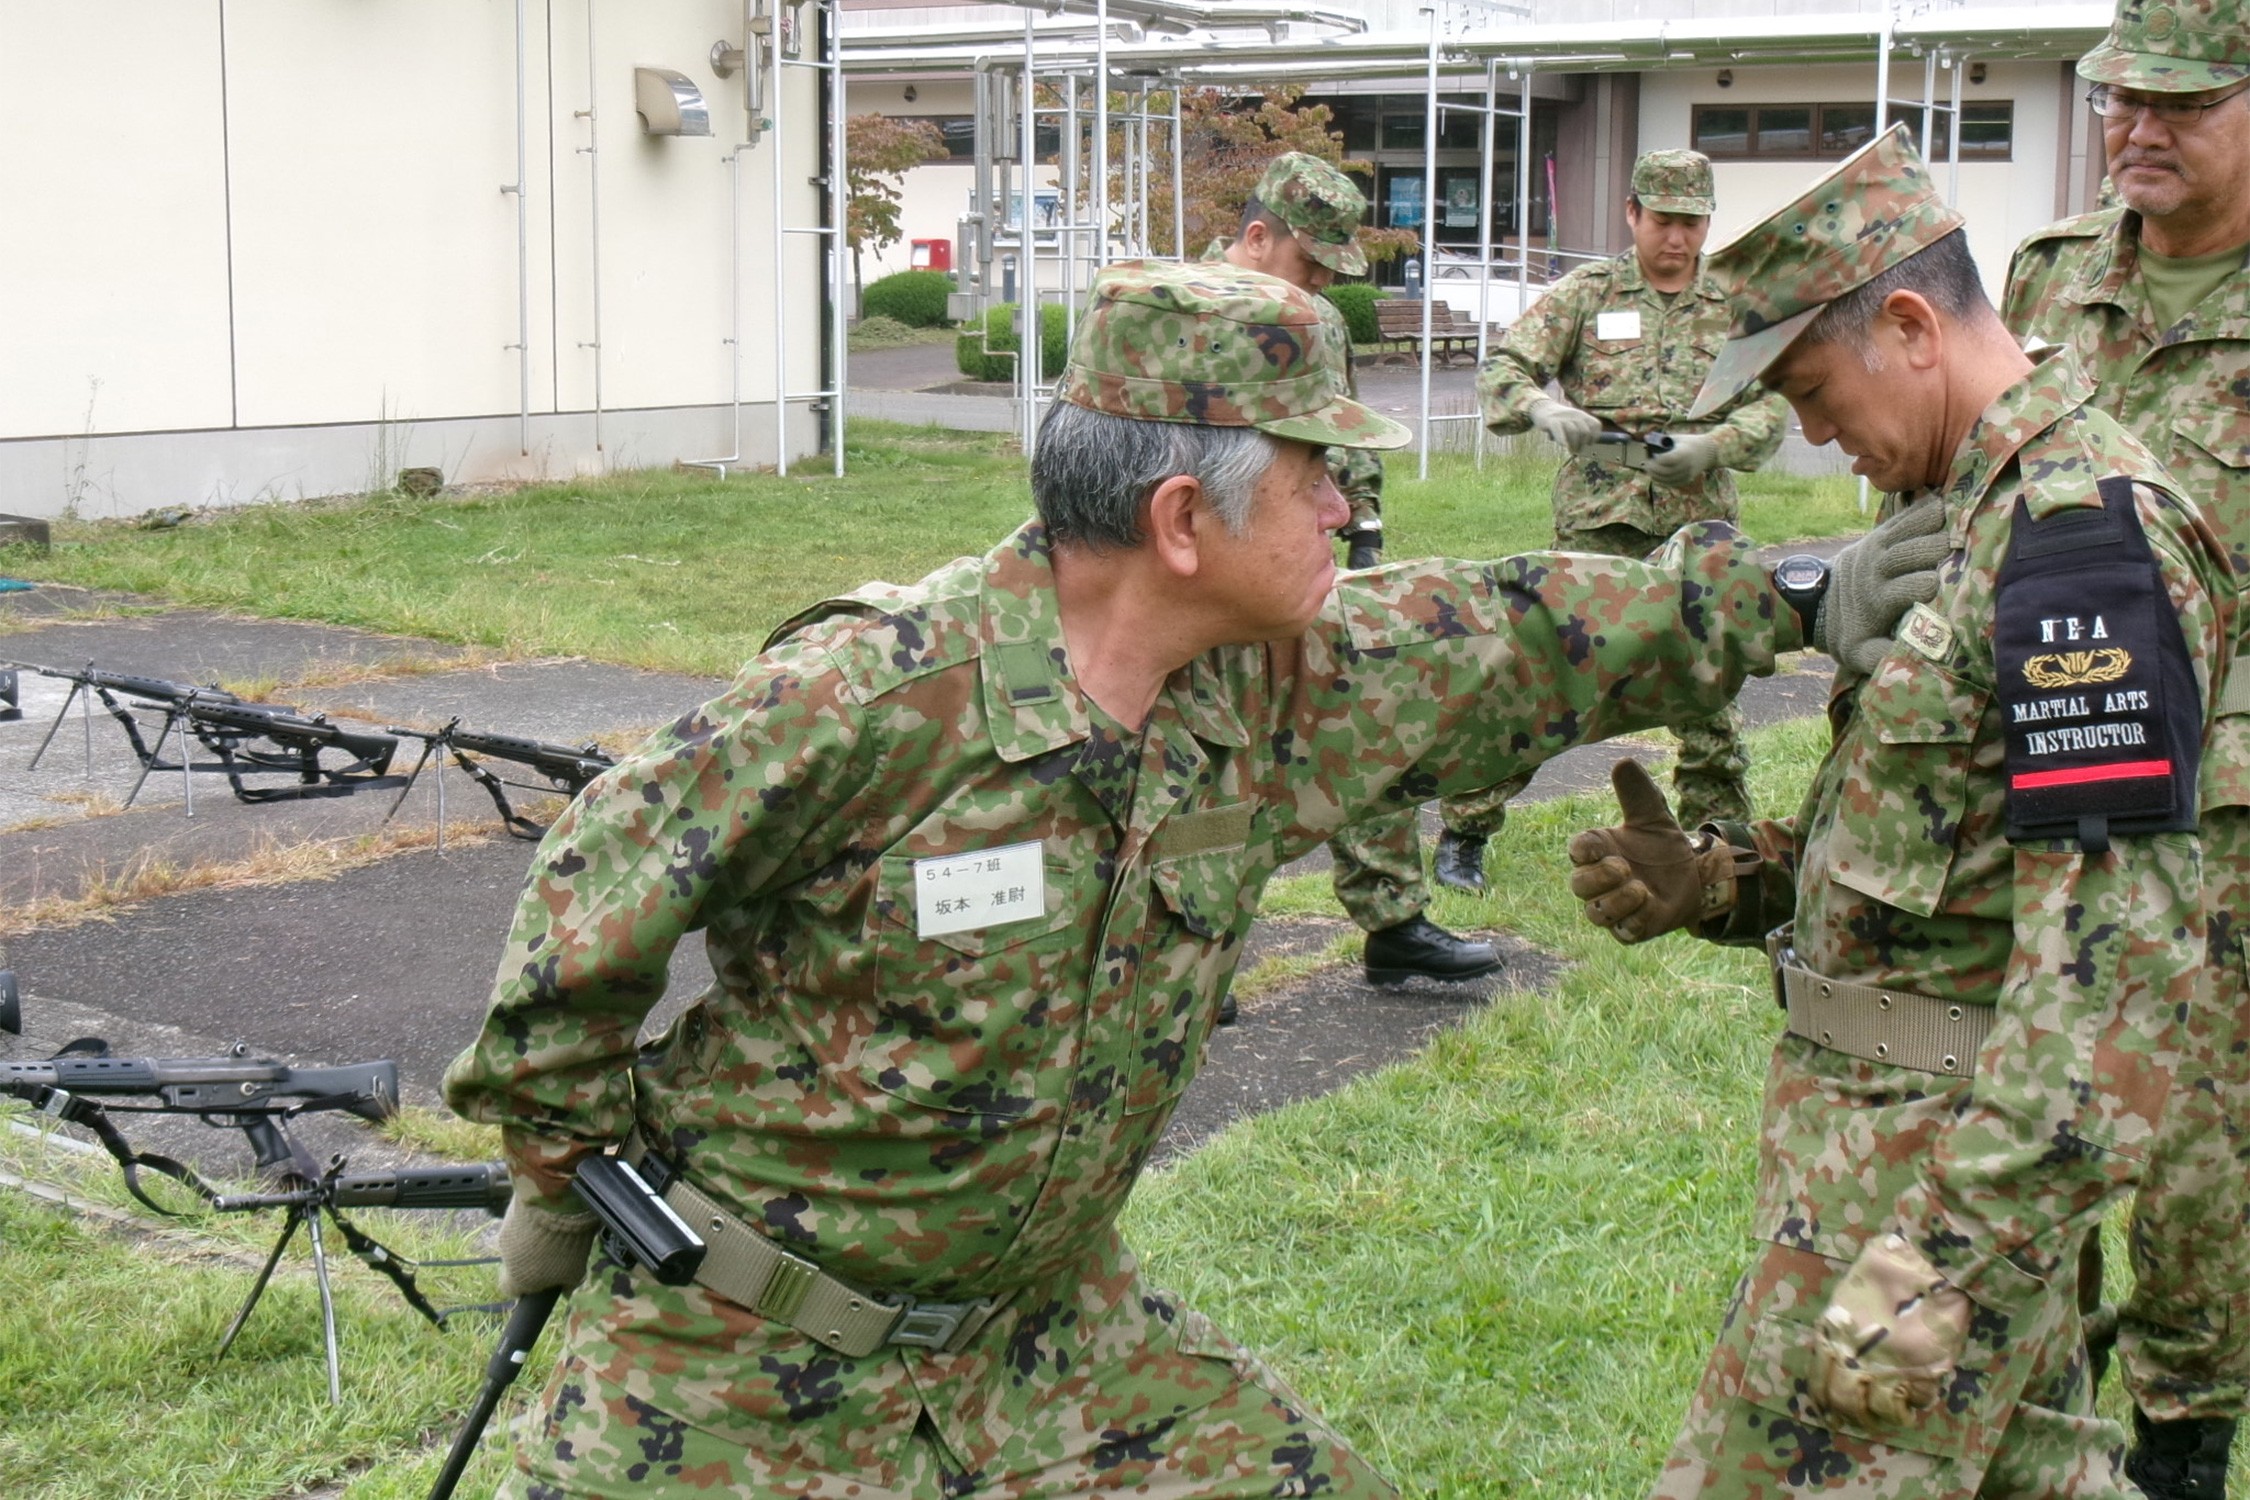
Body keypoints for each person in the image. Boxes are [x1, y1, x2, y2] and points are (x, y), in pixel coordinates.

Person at [444, 257, 1935, 1499]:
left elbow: (1506, 635)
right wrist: (572, 1174)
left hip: (1041, 1337)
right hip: (744, 1361)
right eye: (1314, 477)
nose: (1345, 511)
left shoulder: (1269, 688)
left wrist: (1801, 593)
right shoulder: (877, 700)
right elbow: (595, 886)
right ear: (1178, 520)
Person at [1568, 126, 2233, 1497]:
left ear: (1914, 328)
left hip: (1922, 1187)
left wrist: (1939, 1270)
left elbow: (2113, 983)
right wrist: (1723, 880)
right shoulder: (1971, 518)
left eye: (1814, 390)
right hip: (1880, 1151)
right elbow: (1936, 842)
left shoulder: (2075, 544)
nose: (1815, 436)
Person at [2001, 5, 2250, 1492]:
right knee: (2029, 1106)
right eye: (2118, 100)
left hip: (2224, 807)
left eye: (2184, 104)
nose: (2138, 130)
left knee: (2196, 1146)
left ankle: (2181, 1438)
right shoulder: (2049, 278)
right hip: (2045, 765)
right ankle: (2042, 1406)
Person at [1439, 150, 1791, 896]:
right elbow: (1503, 369)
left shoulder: (1734, 303)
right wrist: (1543, 407)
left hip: (1698, 531)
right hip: (1598, 523)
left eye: (1692, 222)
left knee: (1709, 696)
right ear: (1632, 213)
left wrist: (1713, 447)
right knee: (1548, 681)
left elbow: (1771, 406)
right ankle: (1465, 830)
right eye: (1663, 220)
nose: (1677, 238)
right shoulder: (1587, 294)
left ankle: (1719, 850)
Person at [1224, 149, 1501, 989]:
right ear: (1258, 236)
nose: (1320, 282)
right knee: (1209, 763)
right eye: (1309, 261)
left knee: (1364, 715)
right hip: (1207, 575)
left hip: (1301, 561)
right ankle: (1203, 959)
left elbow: (1338, 431)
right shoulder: (1176, 310)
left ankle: (1394, 920)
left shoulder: (1316, 320)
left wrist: (1367, 531)